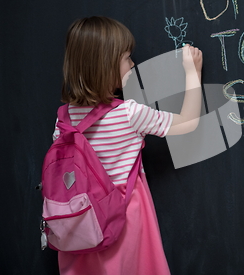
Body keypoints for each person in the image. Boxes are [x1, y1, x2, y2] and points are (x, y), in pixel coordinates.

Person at [53, 16, 202, 274]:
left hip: (77, 226)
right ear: (106, 65)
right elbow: (187, 122)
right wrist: (193, 73)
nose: (133, 65)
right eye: (127, 58)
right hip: (121, 223)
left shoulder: (64, 117)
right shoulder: (128, 114)